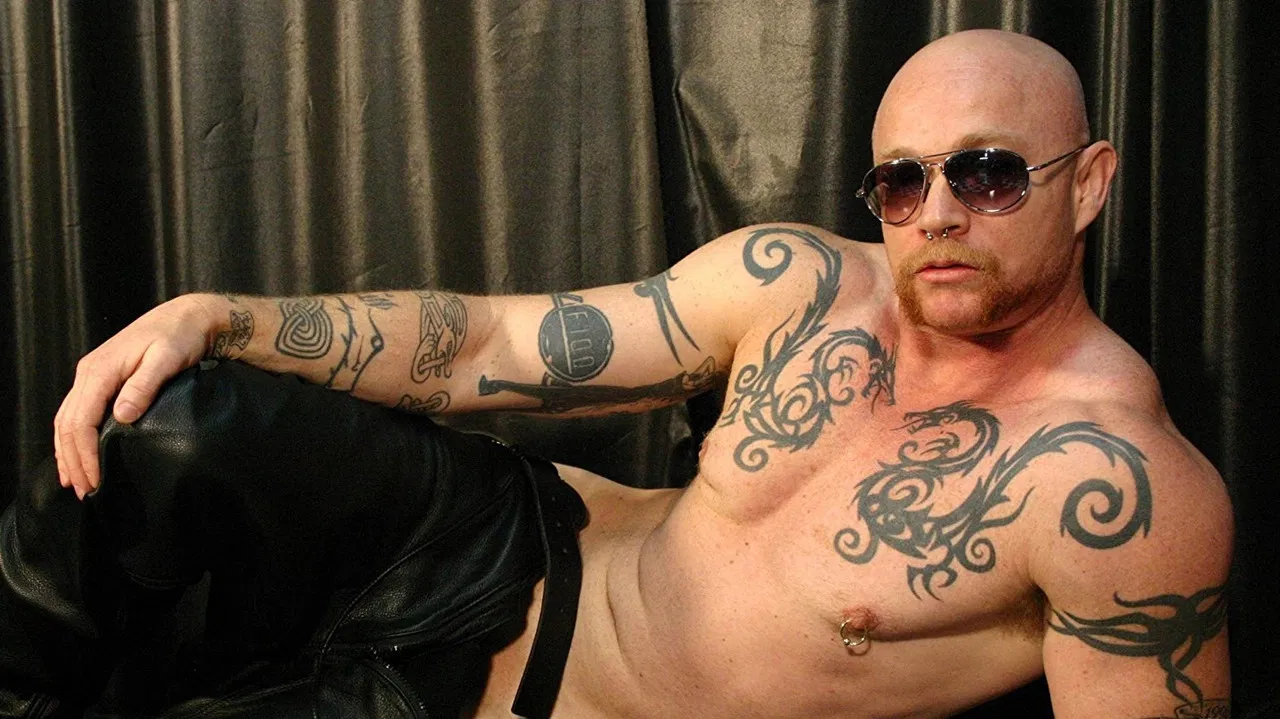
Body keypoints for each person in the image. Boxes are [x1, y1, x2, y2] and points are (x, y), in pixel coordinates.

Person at [44, 29, 1231, 719]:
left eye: (985, 173)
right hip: (497, 541)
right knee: (175, 417)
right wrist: (218, 316)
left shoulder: (1115, 489)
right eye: (899, 180)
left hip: (544, 705)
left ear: (1087, 182)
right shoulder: (801, 280)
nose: (933, 215)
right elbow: (494, 347)